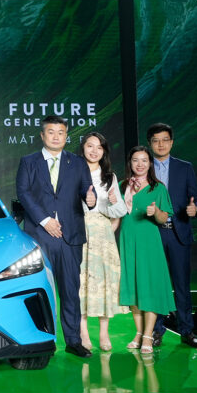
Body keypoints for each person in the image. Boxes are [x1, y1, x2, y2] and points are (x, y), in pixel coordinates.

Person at [16, 115, 97, 358]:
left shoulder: (77, 163)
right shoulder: (28, 162)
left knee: (70, 291)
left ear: (66, 136)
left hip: (70, 237)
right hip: (39, 235)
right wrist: (45, 221)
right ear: (43, 135)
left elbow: (87, 190)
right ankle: (40, 340)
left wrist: (91, 199)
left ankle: (73, 340)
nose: (56, 137)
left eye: (61, 132)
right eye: (51, 132)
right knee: (37, 289)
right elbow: (23, 193)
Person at [146, 122, 197, 349]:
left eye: (165, 140)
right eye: (156, 141)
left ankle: (187, 331)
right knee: (156, 285)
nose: (160, 144)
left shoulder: (185, 167)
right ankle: (156, 330)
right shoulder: (144, 166)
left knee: (182, 284)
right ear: (150, 144)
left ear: (171, 142)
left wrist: (195, 209)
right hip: (153, 234)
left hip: (178, 233)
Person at [117, 145, 175, 354]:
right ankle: (139, 333)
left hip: (148, 243)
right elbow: (116, 214)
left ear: (150, 163)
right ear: (130, 163)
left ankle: (149, 335)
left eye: (144, 160)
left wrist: (156, 211)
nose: (139, 164)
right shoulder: (122, 185)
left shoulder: (157, 188)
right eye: (135, 160)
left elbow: (163, 218)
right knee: (133, 288)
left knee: (149, 288)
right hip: (127, 241)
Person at [77, 132, 129, 352]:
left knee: (105, 283)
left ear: (104, 151)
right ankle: (83, 332)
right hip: (79, 230)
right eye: (90, 146)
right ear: (83, 148)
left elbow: (119, 211)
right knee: (82, 282)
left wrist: (114, 202)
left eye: (99, 147)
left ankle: (104, 332)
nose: (94, 151)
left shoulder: (109, 177)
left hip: (103, 234)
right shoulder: (73, 172)